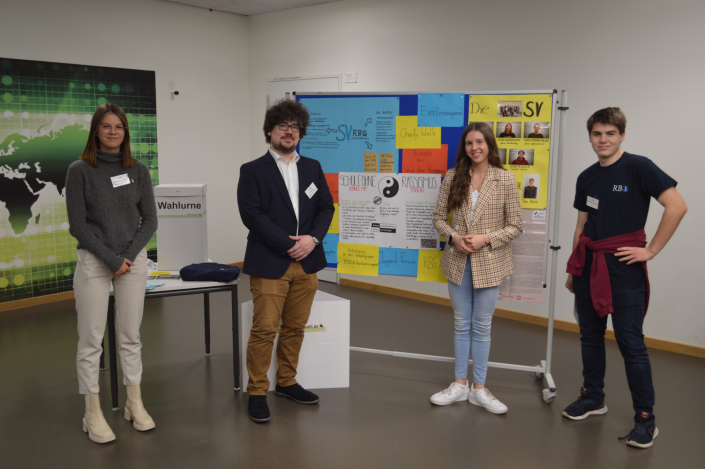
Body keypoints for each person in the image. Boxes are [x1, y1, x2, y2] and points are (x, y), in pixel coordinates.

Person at [564, 107, 687, 449]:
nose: (603, 140)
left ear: (621, 135)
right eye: (597, 134)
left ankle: (645, 419)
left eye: (610, 133)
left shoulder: (639, 167)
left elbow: (677, 205)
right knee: (590, 337)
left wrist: (651, 250)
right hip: (589, 265)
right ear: (590, 137)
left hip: (623, 269)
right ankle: (593, 397)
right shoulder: (586, 177)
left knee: (631, 343)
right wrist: (574, 269)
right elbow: (581, 226)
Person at [237, 99, 335, 424]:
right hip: (270, 261)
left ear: (300, 132)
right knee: (265, 328)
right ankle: (256, 391)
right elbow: (252, 215)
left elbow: (326, 208)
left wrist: (313, 239)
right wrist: (289, 243)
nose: (289, 131)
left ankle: (287, 382)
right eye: (283, 126)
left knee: (295, 327)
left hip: (307, 262)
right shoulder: (252, 170)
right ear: (270, 131)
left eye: (295, 126)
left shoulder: (313, 167)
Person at [65, 103, 158, 444]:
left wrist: (126, 258)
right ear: (96, 131)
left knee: (130, 336)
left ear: (125, 132)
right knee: (92, 340)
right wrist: (109, 258)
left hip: (131, 262)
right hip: (94, 261)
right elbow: (78, 225)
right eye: (106, 126)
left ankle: (134, 402)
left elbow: (150, 220)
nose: (113, 132)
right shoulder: (79, 171)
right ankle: (92, 412)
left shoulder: (138, 170)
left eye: (119, 127)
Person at [429, 122, 523, 414]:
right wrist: (454, 237)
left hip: (490, 263)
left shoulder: (504, 179)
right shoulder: (453, 176)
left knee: (482, 326)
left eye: (480, 142)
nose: (474, 148)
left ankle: (479, 389)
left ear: (489, 144)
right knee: (461, 323)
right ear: (464, 147)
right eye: (469, 143)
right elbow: (438, 218)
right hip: (457, 261)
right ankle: (459, 385)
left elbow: (516, 226)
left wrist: (486, 238)